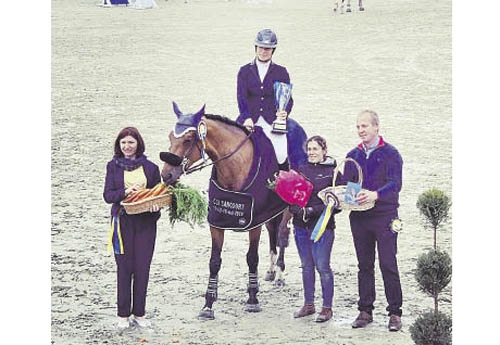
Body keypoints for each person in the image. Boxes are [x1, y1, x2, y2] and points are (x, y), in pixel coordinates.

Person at [342, 110, 403, 332]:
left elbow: (395, 184)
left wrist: (375, 194)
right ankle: (365, 310)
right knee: (364, 265)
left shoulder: (391, 153)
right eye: (358, 126)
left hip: (386, 216)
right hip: (359, 218)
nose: (361, 130)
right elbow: (347, 186)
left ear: (376, 127)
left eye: (365, 126)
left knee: (388, 263)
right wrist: (340, 197)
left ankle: (395, 313)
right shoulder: (352, 155)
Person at [103, 127, 162, 329]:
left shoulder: (152, 168)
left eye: (131, 142)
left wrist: (155, 207)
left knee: (142, 269)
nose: (127, 147)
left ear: (138, 144)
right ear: (119, 146)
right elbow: (108, 196)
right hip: (122, 222)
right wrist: (126, 191)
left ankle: (140, 313)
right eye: (123, 143)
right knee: (124, 269)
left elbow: (158, 197)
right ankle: (122, 315)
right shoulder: (112, 167)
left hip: (146, 224)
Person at [236, 28, 307, 171]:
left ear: (273, 50)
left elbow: (288, 99)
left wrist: (284, 112)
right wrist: (246, 117)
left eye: (268, 49)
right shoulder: (244, 71)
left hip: (272, 118)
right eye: (261, 48)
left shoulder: (281, 71)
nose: (264, 51)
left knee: (281, 153)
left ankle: (280, 177)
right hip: (250, 117)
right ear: (256, 48)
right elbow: (241, 97)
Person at [289, 136, 340, 323]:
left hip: (323, 228)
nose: (311, 152)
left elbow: (338, 204)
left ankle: (327, 308)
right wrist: (295, 210)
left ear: (324, 151)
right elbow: (291, 195)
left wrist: (311, 210)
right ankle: (309, 304)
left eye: (315, 149)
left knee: (323, 267)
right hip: (300, 227)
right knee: (306, 266)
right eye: (309, 149)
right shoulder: (300, 170)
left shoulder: (333, 173)